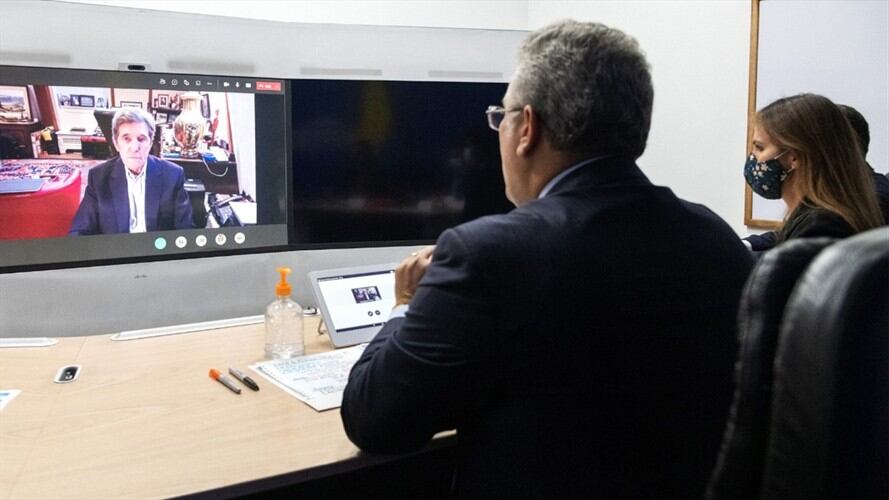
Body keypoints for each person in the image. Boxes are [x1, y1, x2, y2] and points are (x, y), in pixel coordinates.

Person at [341, 20, 753, 498]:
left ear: (527, 128)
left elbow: (375, 420)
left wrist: (404, 305)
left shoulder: (486, 255)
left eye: (501, 117)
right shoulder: (717, 240)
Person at [742, 94, 882, 249]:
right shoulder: (826, 214)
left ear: (795, 157)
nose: (753, 156)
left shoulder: (821, 227)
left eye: (759, 147)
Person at [69, 108, 193, 235]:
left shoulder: (173, 175)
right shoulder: (98, 178)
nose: (134, 148)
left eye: (141, 139)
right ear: (116, 143)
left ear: (150, 143)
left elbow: (185, 230)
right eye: (126, 139)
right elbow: (80, 230)